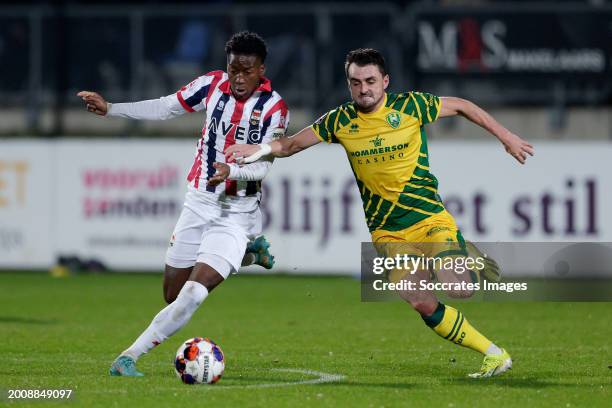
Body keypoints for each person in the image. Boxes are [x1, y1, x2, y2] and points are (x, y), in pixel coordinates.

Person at [225, 48, 534, 378]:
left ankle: (467, 257)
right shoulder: (340, 120)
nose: (363, 89)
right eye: (355, 82)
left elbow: (462, 106)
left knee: (461, 290)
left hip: (429, 220)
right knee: (420, 301)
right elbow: (289, 146)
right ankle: (494, 354)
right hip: (387, 233)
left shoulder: (410, 106)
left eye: (370, 81)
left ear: (385, 81)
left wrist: (506, 136)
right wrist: (256, 150)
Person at [77, 31, 289, 376]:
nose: (238, 77)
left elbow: (266, 164)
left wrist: (232, 170)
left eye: (246, 71)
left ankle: (128, 356)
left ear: (261, 70)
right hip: (198, 201)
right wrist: (112, 109)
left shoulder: (274, 107)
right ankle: (250, 254)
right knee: (172, 294)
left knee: (193, 293)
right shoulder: (212, 84)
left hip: (235, 214)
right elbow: (165, 106)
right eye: (233, 68)